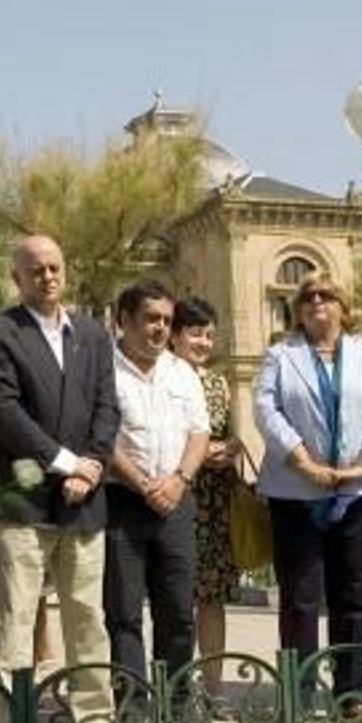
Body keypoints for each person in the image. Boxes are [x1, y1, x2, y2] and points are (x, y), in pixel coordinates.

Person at [0, 235, 118, 723]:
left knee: (87, 617)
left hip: (85, 501)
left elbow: (107, 406)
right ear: (18, 278)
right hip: (22, 500)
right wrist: (64, 464)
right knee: (15, 616)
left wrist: (94, 466)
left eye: (55, 267)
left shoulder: (95, 336)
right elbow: (4, 410)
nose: (48, 277)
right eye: (36, 270)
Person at [254, 271, 362, 703]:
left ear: (342, 306)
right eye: (308, 297)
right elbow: (266, 409)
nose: (317, 301)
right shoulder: (281, 355)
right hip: (296, 492)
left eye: (326, 295)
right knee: (301, 596)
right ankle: (298, 693)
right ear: (298, 310)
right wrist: (303, 461)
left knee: (356, 595)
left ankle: (351, 692)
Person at [104, 281, 209, 701]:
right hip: (122, 502)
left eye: (166, 320)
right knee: (124, 612)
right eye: (151, 318)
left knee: (178, 610)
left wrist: (179, 480)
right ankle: (132, 707)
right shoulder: (102, 370)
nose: (160, 328)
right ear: (124, 321)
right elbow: (101, 437)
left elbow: (199, 434)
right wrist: (143, 483)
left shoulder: (182, 372)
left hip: (177, 501)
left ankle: (180, 701)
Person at [167, 297, 247, 697]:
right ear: (174, 335)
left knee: (211, 598)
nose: (203, 342)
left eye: (209, 335)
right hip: (175, 496)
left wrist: (229, 448)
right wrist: (197, 455)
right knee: (174, 598)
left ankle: (214, 689)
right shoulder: (160, 377)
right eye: (195, 333)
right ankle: (176, 688)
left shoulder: (217, 382)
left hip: (214, 502)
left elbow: (232, 433)